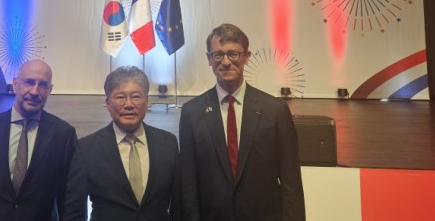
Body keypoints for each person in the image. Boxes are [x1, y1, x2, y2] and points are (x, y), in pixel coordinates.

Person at [179, 23, 305, 221]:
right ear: (209, 59)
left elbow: (292, 183)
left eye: (233, 54)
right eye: (218, 54)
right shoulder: (191, 113)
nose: (226, 62)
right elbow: (188, 184)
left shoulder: (276, 111)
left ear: (246, 56)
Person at [0, 59, 77, 221]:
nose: (35, 91)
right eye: (29, 82)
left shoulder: (63, 135)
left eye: (43, 85)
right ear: (15, 84)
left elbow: (68, 195)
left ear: (50, 90)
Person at [64, 66, 181, 221]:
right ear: (108, 103)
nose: (129, 104)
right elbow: (74, 211)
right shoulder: (87, 149)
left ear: (146, 101)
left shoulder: (168, 144)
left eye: (136, 96)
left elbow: (179, 206)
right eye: (120, 97)